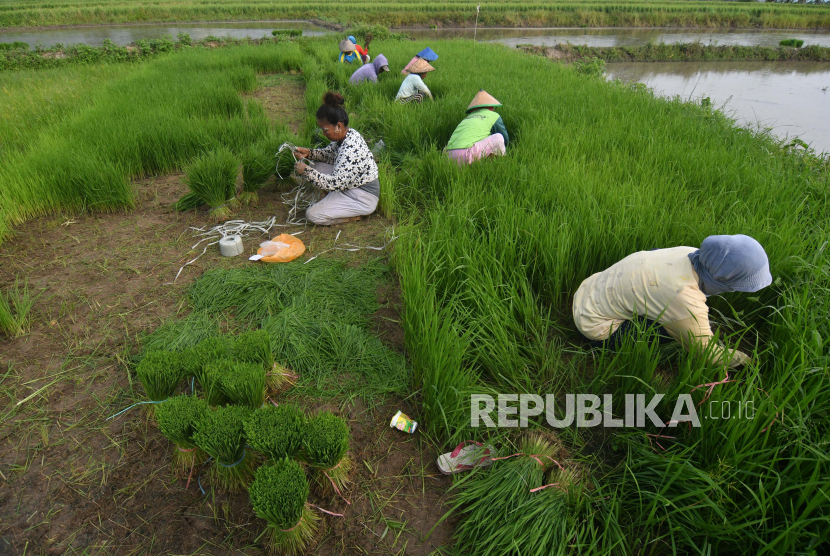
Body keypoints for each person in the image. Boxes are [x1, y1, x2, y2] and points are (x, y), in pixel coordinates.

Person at [572, 234, 773, 368]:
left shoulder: (692, 253)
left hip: (588, 291)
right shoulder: (683, 299)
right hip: (593, 326)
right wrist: (748, 361)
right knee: (671, 332)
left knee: (675, 315)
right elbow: (707, 354)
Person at [292, 92, 379, 226]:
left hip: (362, 197)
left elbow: (335, 184)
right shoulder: (346, 135)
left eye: (326, 130)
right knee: (313, 164)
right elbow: (329, 155)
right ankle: (333, 201)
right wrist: (309, 153)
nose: (323, 133)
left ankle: (354, 215)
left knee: (313, 215)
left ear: (338, 125)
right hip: (350, 185)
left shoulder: (351, 150)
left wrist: (306, 172)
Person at [445, 90, 509, 165]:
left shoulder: (467, 118)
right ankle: (499, 165)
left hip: (446, 157)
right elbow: (505, 139)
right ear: (491, 107)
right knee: (499, 137)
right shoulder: (494, 115)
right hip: (466, 155)